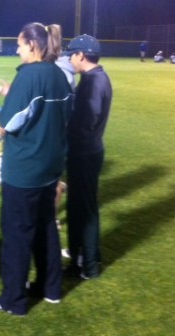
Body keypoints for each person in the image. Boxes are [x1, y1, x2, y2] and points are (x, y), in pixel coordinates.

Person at [0, 22, 72, 315]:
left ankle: (14, 300)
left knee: (17, 234)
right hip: (50, 168)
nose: (17, 49)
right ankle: (51, 289)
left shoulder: (29, 76)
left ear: (33, 45)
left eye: (20, 44)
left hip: (25, 171)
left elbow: (9, 123)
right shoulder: (59, 74)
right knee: (46, 227)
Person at [64, 34, 112, 280]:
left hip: (84, 152)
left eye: (71, 54)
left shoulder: (93, 81)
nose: (69, 59)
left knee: (85, 209)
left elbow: (87, 120)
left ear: (81, 55)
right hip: (89, 150)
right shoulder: (96, 77)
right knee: (81, 207)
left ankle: (89, 265)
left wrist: (65, 131)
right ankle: (82, 258)